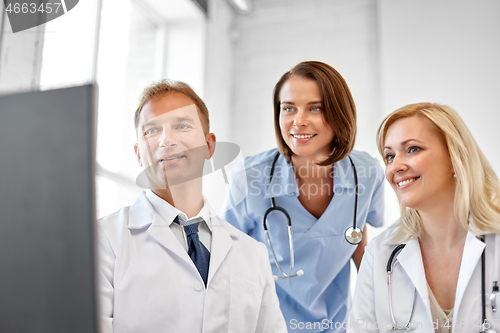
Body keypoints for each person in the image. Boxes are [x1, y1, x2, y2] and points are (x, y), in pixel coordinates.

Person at [98, 79, 287, 333]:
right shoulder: (102, 242)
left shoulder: (253, 255)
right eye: (152, 131)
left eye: (182, 125)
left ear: (209, 146)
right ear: (138, 154)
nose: (166, 140)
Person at [222, 61, 385, 332]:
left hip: (338, 325)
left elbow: (357, 239)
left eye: (315, 108)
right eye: (289, 108)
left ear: (339, 113)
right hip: (267, 323)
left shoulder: (366, 173)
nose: (299, 120)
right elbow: (227, 259)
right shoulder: (250, 177)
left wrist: (380, 312)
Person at [348, 103, 500, 332]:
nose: (395, 167)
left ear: (455, 157)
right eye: (389, 156)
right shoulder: (379, 255)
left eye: (413, 149)